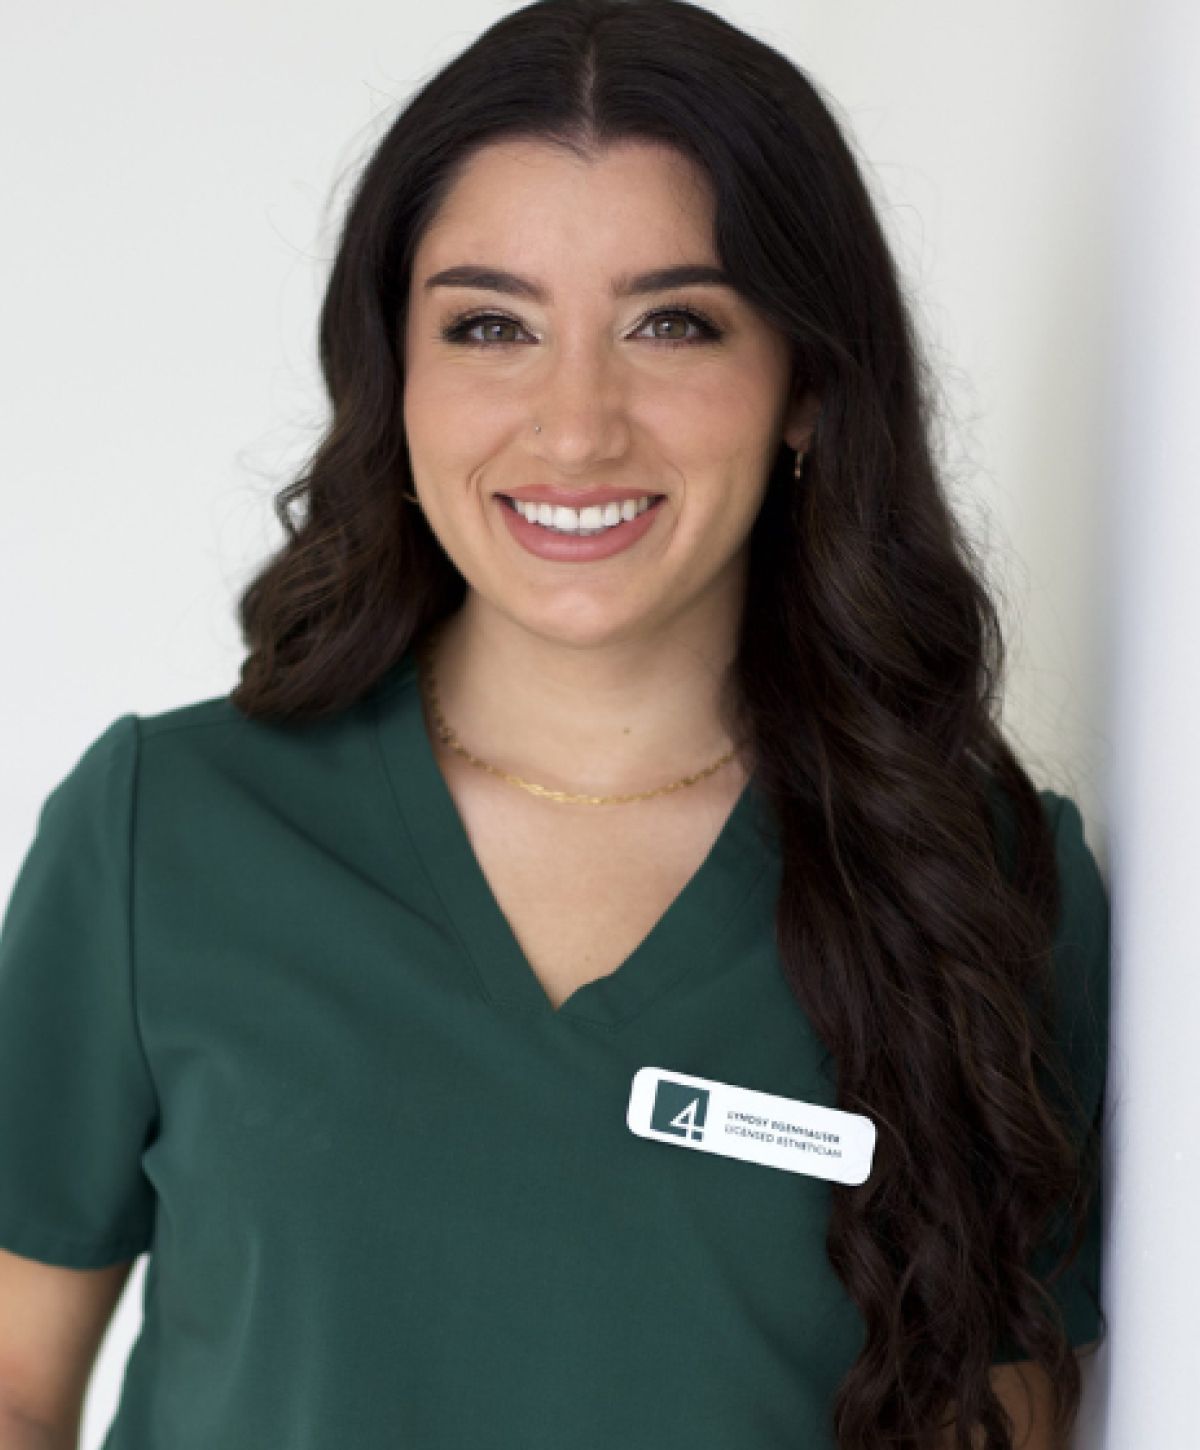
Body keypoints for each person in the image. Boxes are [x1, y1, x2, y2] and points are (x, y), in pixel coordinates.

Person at [0, 1, 1110, 1447]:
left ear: (809, 386)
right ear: (394, 379)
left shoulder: (978, 880)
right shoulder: (167, 831)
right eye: (489, 325)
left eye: (672, 322)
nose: (576, 424)